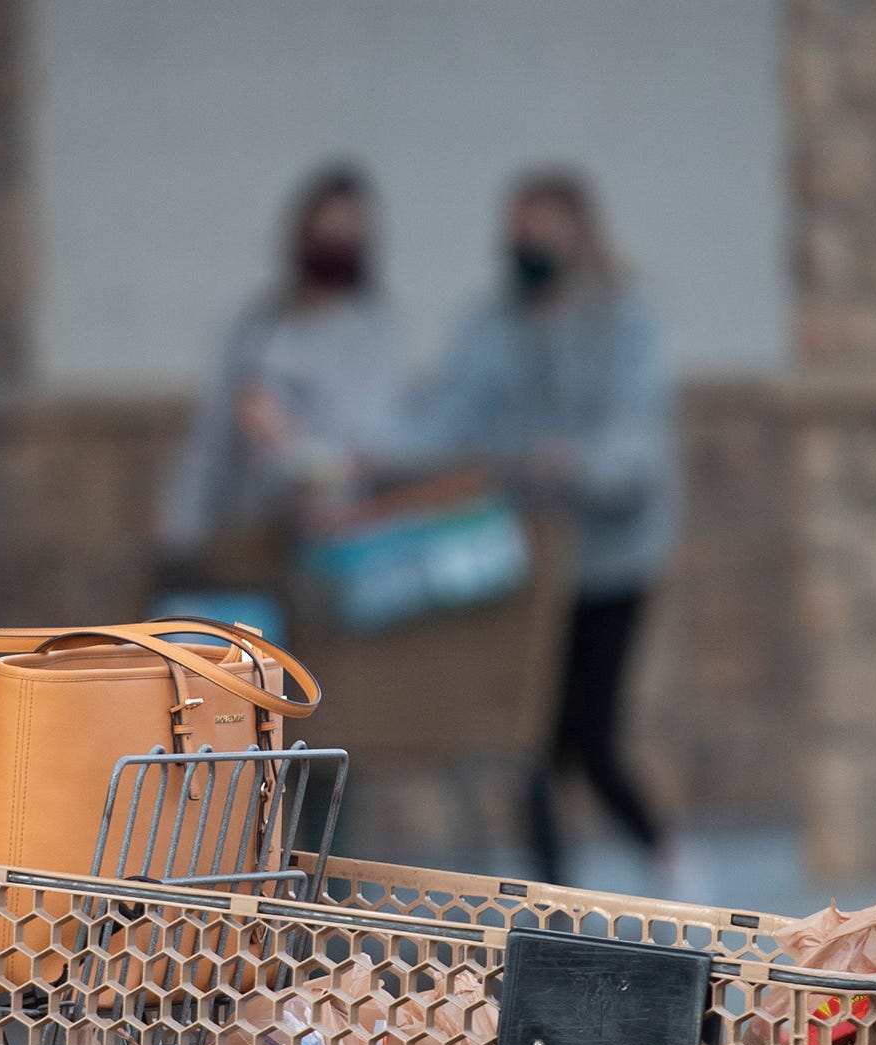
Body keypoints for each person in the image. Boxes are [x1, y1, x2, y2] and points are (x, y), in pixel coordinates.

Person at [405, 167, 693, 896]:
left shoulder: (623, 320)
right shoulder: (489, 326)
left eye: (541, 228)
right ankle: (550, 901)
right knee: (528, 737)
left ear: (578, 231)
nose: (526, 245)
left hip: (609, 561)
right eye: (516, 231)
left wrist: (578, 464)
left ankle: (669, 861)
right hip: (521, 565)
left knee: (590, 738)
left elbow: (637, 444)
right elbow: (442, 421)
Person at [157, 162, 410, 559]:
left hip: (333, 549)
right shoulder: (258, 326)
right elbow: (209, 444)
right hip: (244, 536)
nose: (334, 243)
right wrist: (181, 539)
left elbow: (367, 452)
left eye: (346, 232)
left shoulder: (371, 334)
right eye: (325, 230)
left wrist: (286, 443)